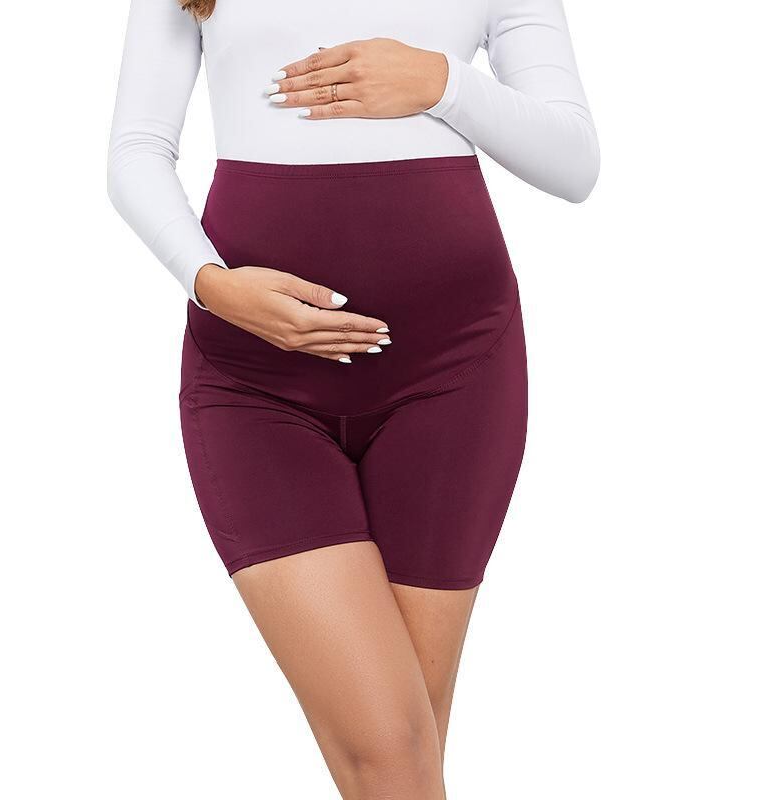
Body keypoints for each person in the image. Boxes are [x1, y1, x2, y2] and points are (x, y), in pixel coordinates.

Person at [107, 1, 599, 796]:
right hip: (254, 383)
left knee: (404, 752)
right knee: (390, 750)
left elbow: (574, 162)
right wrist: (209, 283)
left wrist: (441, 82)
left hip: (452, 378)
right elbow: (137, 148)